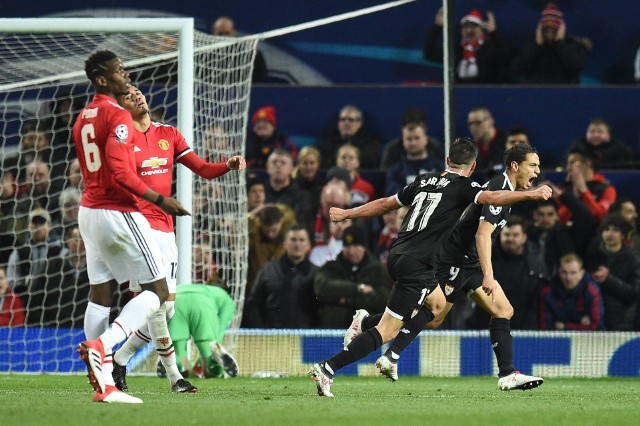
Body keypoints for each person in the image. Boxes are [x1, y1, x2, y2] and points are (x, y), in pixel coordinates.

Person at [309, 140, 551, 396]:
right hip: (422, 262)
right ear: (473, 167)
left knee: (437, 307)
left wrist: (348, 214)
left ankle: (366, 324)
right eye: (533, 165)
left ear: (448, 161)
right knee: (388, 330)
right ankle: (328, 368)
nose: (536, 171)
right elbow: (490, 199)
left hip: (402, 253)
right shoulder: (467, 185)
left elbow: (384, 204)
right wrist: (531, 194)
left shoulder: (424, 180)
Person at [109, 85, 245, 394]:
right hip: (137, 228)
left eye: (139, 92)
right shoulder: (121, 140)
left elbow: (202, 169)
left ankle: (119, 359)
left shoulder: (168, 134)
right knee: (157, 305)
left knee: (167, 309)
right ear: (121, 107)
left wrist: (228, 164)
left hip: (165, 229)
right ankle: (176, 377)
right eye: (129, 95)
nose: (138, 96)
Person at [72, 50, 190, 404]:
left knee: (101, 295)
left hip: (87, 211)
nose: (126, 75)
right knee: (157, 292)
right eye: (119, 71)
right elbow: (121, 173)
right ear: (103, 79)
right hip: (117, 211)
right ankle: (103, 347)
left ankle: (103, 381)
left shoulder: (83, 117)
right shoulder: (117, 115)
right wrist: (161, 200)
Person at [466, 215, 547, 330]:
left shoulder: (534, 267)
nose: (510, 239)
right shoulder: (486, 264)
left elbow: (535, 305)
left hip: (524, 329)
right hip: (486, 327)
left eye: (515, 235)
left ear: (524, 237)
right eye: (507, 235)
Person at [313, 224, 391, 329]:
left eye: (355, 246)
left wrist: (347, 300)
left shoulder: (377, 270)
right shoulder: (331, 267)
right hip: (334, 332)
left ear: (364, 247)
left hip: (365, 334)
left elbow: (383, 299)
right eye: (347, 246)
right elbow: (322, 287)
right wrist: (358, 288)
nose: (351, 251)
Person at [245, 225, 318, 328]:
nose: (297, 244)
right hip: (273, 338)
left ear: (308, 245)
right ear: (284, 244)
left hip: (306, 339)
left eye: (302, 240)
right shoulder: (268, 270)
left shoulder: (316, 274)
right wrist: (260, 331)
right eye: (293, 240)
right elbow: (253, 303)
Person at [168, 273, 238, 379]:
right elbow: (220, 330)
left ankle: (180, 364)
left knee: (178, 349)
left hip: (176, 298)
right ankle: (214, 364)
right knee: (208, 350)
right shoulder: (226, 298)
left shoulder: (198, 287)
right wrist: (212, 348)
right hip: (202, 303)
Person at [423, 7, 512, 84]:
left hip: (486, 94)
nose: (469, 30)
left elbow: (505, 57)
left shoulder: (489, 48)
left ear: (481, 29)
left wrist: (494, 32)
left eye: (473, 26)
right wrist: (437, 27)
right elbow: (430, 53)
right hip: (458, 95)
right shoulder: (456, 51)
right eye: (465, 27)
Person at [512, 3, 591, 84]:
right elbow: (518, 68)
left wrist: (559, 43)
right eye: (547, 30)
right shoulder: (532, 47)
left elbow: (577, 66)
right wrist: (537, 45)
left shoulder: (573, 45)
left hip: (565, 93)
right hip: (536, 93)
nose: (549, 35)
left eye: (553, 30)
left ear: (561, 28)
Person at [585, 214, 640, 330]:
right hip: (594, 320)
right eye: (606, 230)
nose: (610, 234)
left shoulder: (633, 259)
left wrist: (608, 279)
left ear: (623, 235)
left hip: (622, 322)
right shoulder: (592, 255)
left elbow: (635, 294)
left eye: (615, 230)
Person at [29, 224, 89, 328]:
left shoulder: (97, 271)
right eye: (77, 238)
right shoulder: (51, 267)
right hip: (53, 333)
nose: (82, 242)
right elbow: (35, 301)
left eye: (86, 238)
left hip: (87, 335)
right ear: (68, 242)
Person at [539, 253, 603, 331]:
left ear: (581, 273)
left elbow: (595, 326)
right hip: (557, 341)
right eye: (564, 272)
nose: (568, 278)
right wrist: (580, 323)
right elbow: (545, 327)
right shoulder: (547, 293)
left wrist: (565, 327)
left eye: (573, 273)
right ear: (559, 272)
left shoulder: (591, 292)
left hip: (587, 341)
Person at [385, 121, 444, 196]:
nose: (413, 143)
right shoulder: (395, 172)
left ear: (425, 140)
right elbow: (393, 194)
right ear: (403, 141)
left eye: (417, 138)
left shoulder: (441, 168)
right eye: (409, 139)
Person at [318, 105, 381, 170]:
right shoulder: (328, 141)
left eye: (351, 120)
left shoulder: (370, 142)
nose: (346, 123)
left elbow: (371, 162)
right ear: (338, 123)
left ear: (359, 123)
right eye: (343, 120)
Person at [527, 200, 576, 278]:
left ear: (557, 216)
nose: (545, 219)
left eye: (550, 214)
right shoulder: (529, 234)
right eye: (541, 214)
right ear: (535, 215)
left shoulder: (564, 236)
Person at [212, 16, 268, 83]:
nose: (224, 36)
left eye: (227, 33)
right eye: (220, 34)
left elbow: (261, 79)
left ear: (233, 32)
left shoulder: (250, 54)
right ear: (214, 33)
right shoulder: (206, 55)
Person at [569, 118, 635, 169]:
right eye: (592, 132)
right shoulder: (577, 147)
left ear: (608, 135)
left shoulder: (619, 149)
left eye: (600, 132)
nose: (595, 135)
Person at [467, 107, 507, 181]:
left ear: (490, 121)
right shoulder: (470, 149)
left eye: (477, 123)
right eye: (470, 124)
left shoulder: (507, 142)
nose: (473, 128)